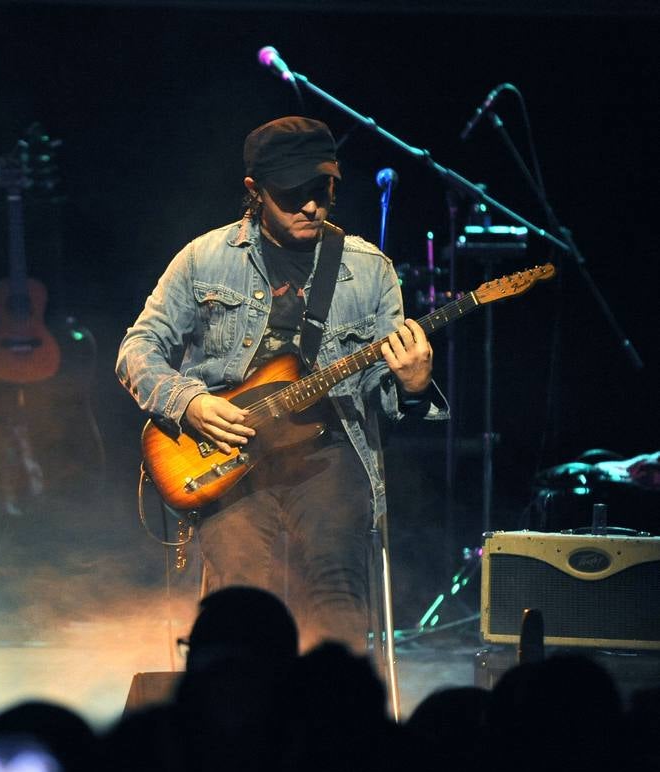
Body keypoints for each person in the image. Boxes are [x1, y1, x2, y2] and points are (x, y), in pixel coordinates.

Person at [116, 116, 444, 652]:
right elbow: (137, 348)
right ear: (254, 192)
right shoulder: (203, 258)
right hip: (229, 451)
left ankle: (332, 711)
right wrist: (190, 402)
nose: (311, 206)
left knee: (337, 579)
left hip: (329, 451)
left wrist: (412, 386)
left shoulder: (370, 270)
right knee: (239, 591)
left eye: (322, 190)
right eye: (293, 195)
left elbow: (387, 400)